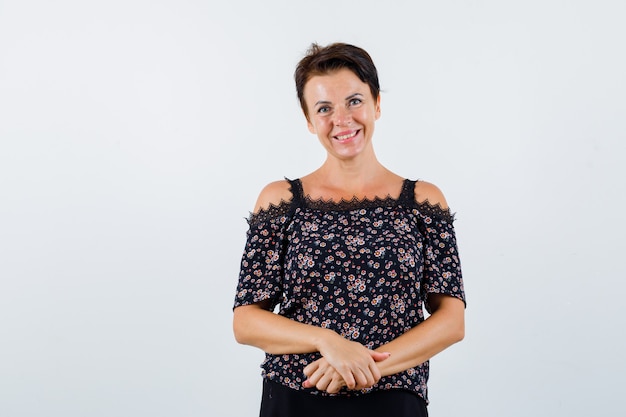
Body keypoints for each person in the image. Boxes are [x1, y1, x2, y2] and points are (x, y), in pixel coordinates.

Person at [232, 42, 466, 417]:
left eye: (354, 101)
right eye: (324, 108)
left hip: (393, 397)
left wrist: (362, 366)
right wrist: (327, 342)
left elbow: (452, 322)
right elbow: (245, 322)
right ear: (309, 120)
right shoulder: (280, 201)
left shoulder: (424, 201)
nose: (341, 119)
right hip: (297, 393)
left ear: (376, 104)